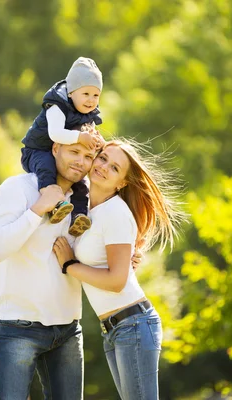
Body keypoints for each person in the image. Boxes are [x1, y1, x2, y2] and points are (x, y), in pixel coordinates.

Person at [52, 139, 186, 399]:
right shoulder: (84, 203)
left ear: (122, 183)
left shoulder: (115, 212)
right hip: (115, 328)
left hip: (133, 325)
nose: (103, 167)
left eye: (114, 168)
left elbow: (117, 281)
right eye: (102, 158)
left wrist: (69, 265)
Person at [0, 139, 98, 399]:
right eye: (74, 152)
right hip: (18, 326)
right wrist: (38, 209)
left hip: (68, 329)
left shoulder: (85, 200)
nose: (80, 161)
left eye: (88, 156)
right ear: (55, 148)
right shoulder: (17, 188)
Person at [21, 56, 105, 237]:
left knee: (82, 185)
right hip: (38, 150)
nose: (91, 100)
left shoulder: (88, 112)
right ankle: (54, 204)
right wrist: (80, 137)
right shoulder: (57, 105)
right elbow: (55, 134)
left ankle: (79, 217)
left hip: (61, 152)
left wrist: (99, 142)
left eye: (95, 95)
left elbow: (90, 134)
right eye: (85, 94)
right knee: (47, 169)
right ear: (71, 93)